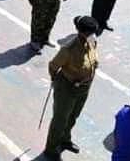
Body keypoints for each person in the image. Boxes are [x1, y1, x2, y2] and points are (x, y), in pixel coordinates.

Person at [43, 16, 98, 159]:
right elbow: (53, 66)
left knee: (73, 116)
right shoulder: (68, 49)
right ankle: (51, 148)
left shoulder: (92, 42)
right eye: (90, 33)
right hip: (67, 88)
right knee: (60, 120)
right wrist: (58, 82)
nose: (92, 35)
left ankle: (65, 139)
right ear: (82, 32)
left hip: (84, 88)